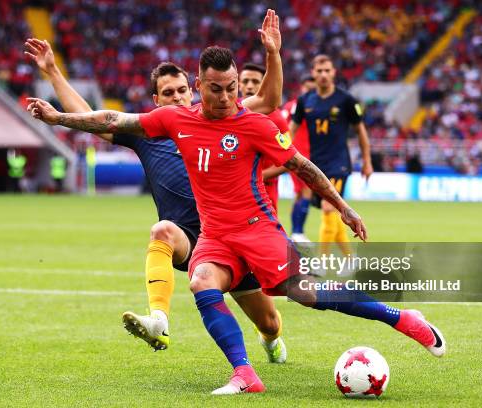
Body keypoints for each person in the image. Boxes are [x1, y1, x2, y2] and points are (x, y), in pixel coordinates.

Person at [28, 45, 446, 395]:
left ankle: (405, 320)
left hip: (257, 230)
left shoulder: (253, 124)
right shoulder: (174, 121)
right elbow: (112, 120)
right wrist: (57, 117)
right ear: (199, 86)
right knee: (201, 281)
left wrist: (344, 206)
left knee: (306, 297)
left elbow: (301, 165)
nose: (227, 96)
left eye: (231, 88)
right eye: (216, 88)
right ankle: (244, 373)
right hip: (214, 237)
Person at [24, 9, 287, 362]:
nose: (177, 97)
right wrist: (54, 73)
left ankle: (270, 342)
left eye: (181, 90)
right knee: (161, 231)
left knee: (270, 322)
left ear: (193, 89)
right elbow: (93, 119)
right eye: (168, 93)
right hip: (192, 240)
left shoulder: (227, 118)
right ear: (156, 102)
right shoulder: (148, 134)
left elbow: (268, 101)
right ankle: (159, 320)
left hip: (237, 236)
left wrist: (273, 53)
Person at [290, 54, 373, 259]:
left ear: (334, 72)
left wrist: (367, 161)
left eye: (327, 70)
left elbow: (361, 131)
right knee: (334, 212)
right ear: (313, 73)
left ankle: (321, 262)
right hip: (315, 165)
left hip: (338, 164)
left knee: (329, 208)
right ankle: (350, 259)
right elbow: (290, 131)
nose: (324, 75)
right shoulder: (304, 101)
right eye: (319, 71)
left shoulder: (346, 100)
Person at [238, 62, 289, 212]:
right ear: (239, 84)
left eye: (255, 82)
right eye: (245, 81)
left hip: (263, 193)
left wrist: (256, 177)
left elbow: (288, 159)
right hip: (233, 193)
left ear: (264, 85)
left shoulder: (277, 119)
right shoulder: (228, 113)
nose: (249, 86)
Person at [282, 74, 315, 242]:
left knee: (300, 193)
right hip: (298, 156)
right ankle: (298, 231)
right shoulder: (294, 106)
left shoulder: (316, 107)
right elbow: (282, 126)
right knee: (307, 190)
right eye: (307, 88)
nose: (310, 91)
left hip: (311, 155)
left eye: (312, 89)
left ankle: (295, 232)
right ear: (301, 88)